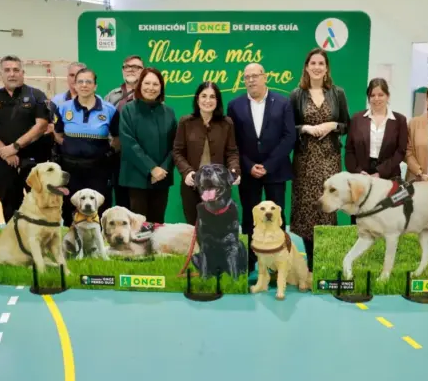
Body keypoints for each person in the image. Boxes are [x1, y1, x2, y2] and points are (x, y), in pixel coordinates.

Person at [227, 62, 296, 275]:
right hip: (248, 173)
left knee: (276, 218)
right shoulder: (234, 105)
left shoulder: (283, 103)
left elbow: (289, 137)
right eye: (247, 77)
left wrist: (268, 165)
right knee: (249, 219)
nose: (251, 80)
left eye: (255, 76)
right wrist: (248, 166)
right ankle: (249, 264)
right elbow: (233, 141)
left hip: (276, 171)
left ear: (265, 77)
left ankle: (278, 267)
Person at [289, 48, 350, 272]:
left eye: (321, 63)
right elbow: (289, 128)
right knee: (307, 210)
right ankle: (311, 263)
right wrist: (305, 128)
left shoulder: (338, 93)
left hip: (329, 160)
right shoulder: (297, 95)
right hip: (305, 161)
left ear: (326, 68)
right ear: (306, 67)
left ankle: (323, 260)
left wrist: (332, 125)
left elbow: (346, 125)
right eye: (312, 63)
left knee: (327, 207)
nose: (316, 67)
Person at [0, 55, 51, 223]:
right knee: (10, 203)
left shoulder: (36, 95)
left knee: (40, 203)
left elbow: (41, 125)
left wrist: (15, 147)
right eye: (7, 70)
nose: (12, 74)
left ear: (22, 73)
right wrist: (5, 152)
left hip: (34, 160)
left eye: (16, 70)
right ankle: (14, 242)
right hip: (5, 162)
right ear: (0, 74)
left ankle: (41, 242)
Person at [53, 68, 117, 226]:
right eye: (80, 81)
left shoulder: (109, 110)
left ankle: (101, 243)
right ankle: (71, 243)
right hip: (70, 169)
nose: (84, 85)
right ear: (74, 85)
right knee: (69, 206)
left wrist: (106, 155)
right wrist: (71, 147)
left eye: (88, 82)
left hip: (98, 169)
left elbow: (117, 138)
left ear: (95, 86)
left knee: (100, 207)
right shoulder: (63, 108)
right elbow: (58, 133)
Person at [172, 82, 241, 225]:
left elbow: (232, 152)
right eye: (204, 96)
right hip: (192, 185)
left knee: (217, 227)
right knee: (193, 226)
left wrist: (234, 170)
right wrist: (187, 171)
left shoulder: (226, 123)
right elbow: (177, 151)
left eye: (212, 97)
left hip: (218, 187)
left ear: (218, 100)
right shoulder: (185, 122)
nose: (207, 101)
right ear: (197, 99)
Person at [118, 67, 177, 223]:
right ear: (140, 85)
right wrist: (151, 168)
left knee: (158, 224)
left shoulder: (169, 112)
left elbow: (175, 145)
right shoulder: (128, 110)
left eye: (155, 84)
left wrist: (163, 168)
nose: (151, 88)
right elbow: (129, 143)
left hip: (162, 178)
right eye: (147, 83)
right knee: (138, 226)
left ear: (161, 87)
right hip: (136, 178)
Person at [345, 77, 408, 179]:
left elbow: (400, 151)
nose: (376, 99)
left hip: (389, 176)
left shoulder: (400, 120)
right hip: (361, 176)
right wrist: (358, 171)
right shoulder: (357, 119)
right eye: (372, 95)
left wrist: (380, 173)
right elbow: (349, 150)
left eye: (380, 95)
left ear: (388, 96)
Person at [105, 55, 144, 209]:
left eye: (136, 67)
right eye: (127, 67)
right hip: (116, 158)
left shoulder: (150, 94)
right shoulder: (112, 95)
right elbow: (102, 123)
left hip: (139, 159)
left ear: (143, 71)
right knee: (121, 202)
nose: (131, 70)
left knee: (139, 204)